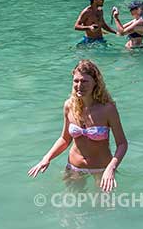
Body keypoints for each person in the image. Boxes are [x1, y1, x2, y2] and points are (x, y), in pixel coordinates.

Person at [28, 60, 128, 192]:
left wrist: (111, 168)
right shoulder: (69, 106)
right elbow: (65, 139)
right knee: (70, 206)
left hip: (102, 169)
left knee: (103, 208)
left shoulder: (107, 109)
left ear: (95, 83)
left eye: (84, 81)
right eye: (76, 81)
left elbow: (122, 144)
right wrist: (46, 158)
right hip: (74, 167)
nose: (79, 85)